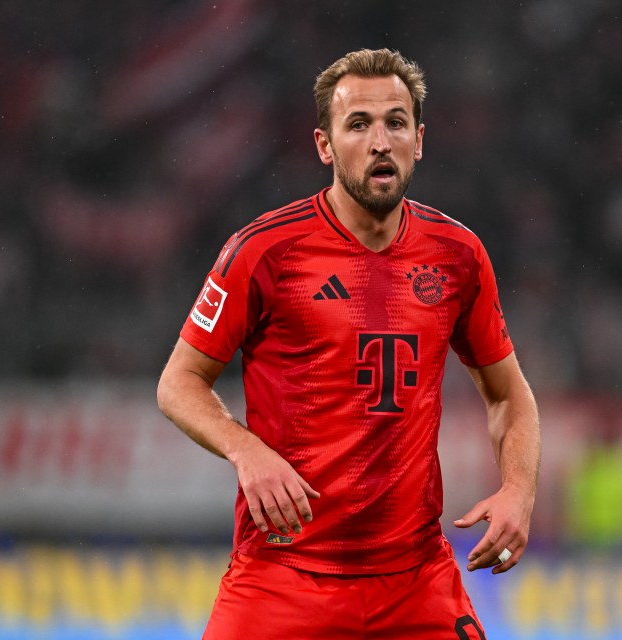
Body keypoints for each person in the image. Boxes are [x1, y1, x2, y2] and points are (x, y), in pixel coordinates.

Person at [156, 48, 541, 639]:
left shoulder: (457, 255)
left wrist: (518, 488)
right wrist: (246, 451)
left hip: (414, 579)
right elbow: (178, 382)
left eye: (395, 121)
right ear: (325, 145)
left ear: (419, 139)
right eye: (358, 124)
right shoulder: (265, 251)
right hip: (283, 575)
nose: (379, 140)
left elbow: (509, 394)